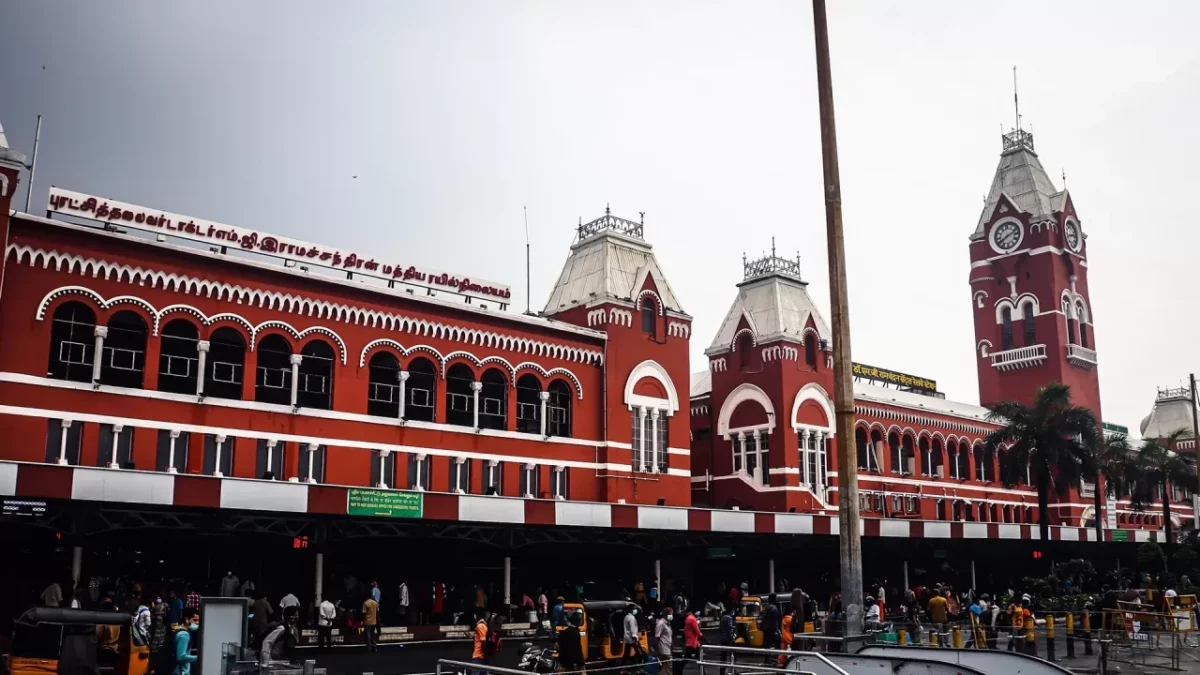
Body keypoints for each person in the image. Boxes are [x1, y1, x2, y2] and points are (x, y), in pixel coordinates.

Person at [173, 610, 200, 675]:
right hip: (181, 671)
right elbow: (181, 657)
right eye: (195, 620)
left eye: (199, 621)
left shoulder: (179, 630)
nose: (197, 623)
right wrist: (199, 658)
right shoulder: (184, 635)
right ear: (187, 620)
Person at [655, 607, 674, 675]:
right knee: (668, 668)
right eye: (670, 614)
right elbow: (657, 637)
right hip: (663, 649)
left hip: (667, 648)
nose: (671, 615)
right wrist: (656, 651)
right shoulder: (661, 623)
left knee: (665, 668)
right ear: (665, 614)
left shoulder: (668, 623)